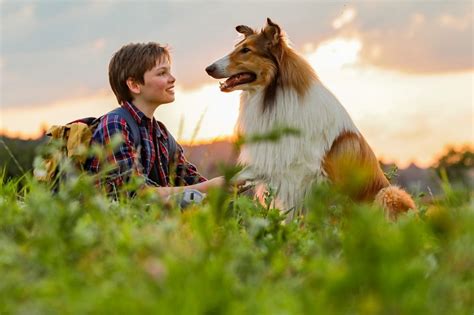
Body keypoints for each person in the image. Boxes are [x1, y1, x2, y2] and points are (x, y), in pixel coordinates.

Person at [86, 42, 225, 199]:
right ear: (134, 85)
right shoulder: (115, 125)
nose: (172, 79)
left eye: (169, 72)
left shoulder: (161, 134)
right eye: (162, 73)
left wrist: (230, 183)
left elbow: (190, 180)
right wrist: (207, 187)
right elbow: (136, 193)